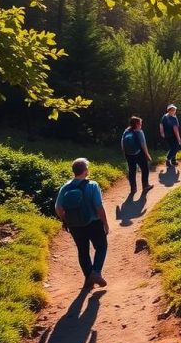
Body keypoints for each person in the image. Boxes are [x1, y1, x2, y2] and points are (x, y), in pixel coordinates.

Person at [55, 158, 109, 288]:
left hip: (74, 225)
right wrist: (105, 223)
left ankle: (88, 279)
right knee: (101, 246)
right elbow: (98, 206)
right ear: (85, 171)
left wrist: (66, 220)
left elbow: (58, 208)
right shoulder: (92, 185)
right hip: (93, 223)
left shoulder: (65, 187)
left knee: (82, 251)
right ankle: (96, 272)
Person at [121, 116, 152, 193]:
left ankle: (133, 189)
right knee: (145, 168)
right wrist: (147, 155)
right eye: (140, 124)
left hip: (128, 154)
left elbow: (122, 143)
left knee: (132, 171)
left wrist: (125, 153)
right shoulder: (139, 132)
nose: (141, 125)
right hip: (138, 153)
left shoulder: (126, 131)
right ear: (137, 124)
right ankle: (145, 186)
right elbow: (143, 144)